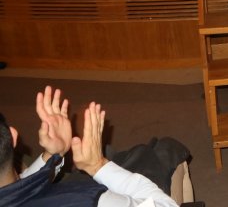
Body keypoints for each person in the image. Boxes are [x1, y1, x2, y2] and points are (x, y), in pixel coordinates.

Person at [0, 85, 178, 206]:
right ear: (14, 137)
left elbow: (16, 193)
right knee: (156, 151)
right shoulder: (89, 200)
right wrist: (98, 165)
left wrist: (52, 156)